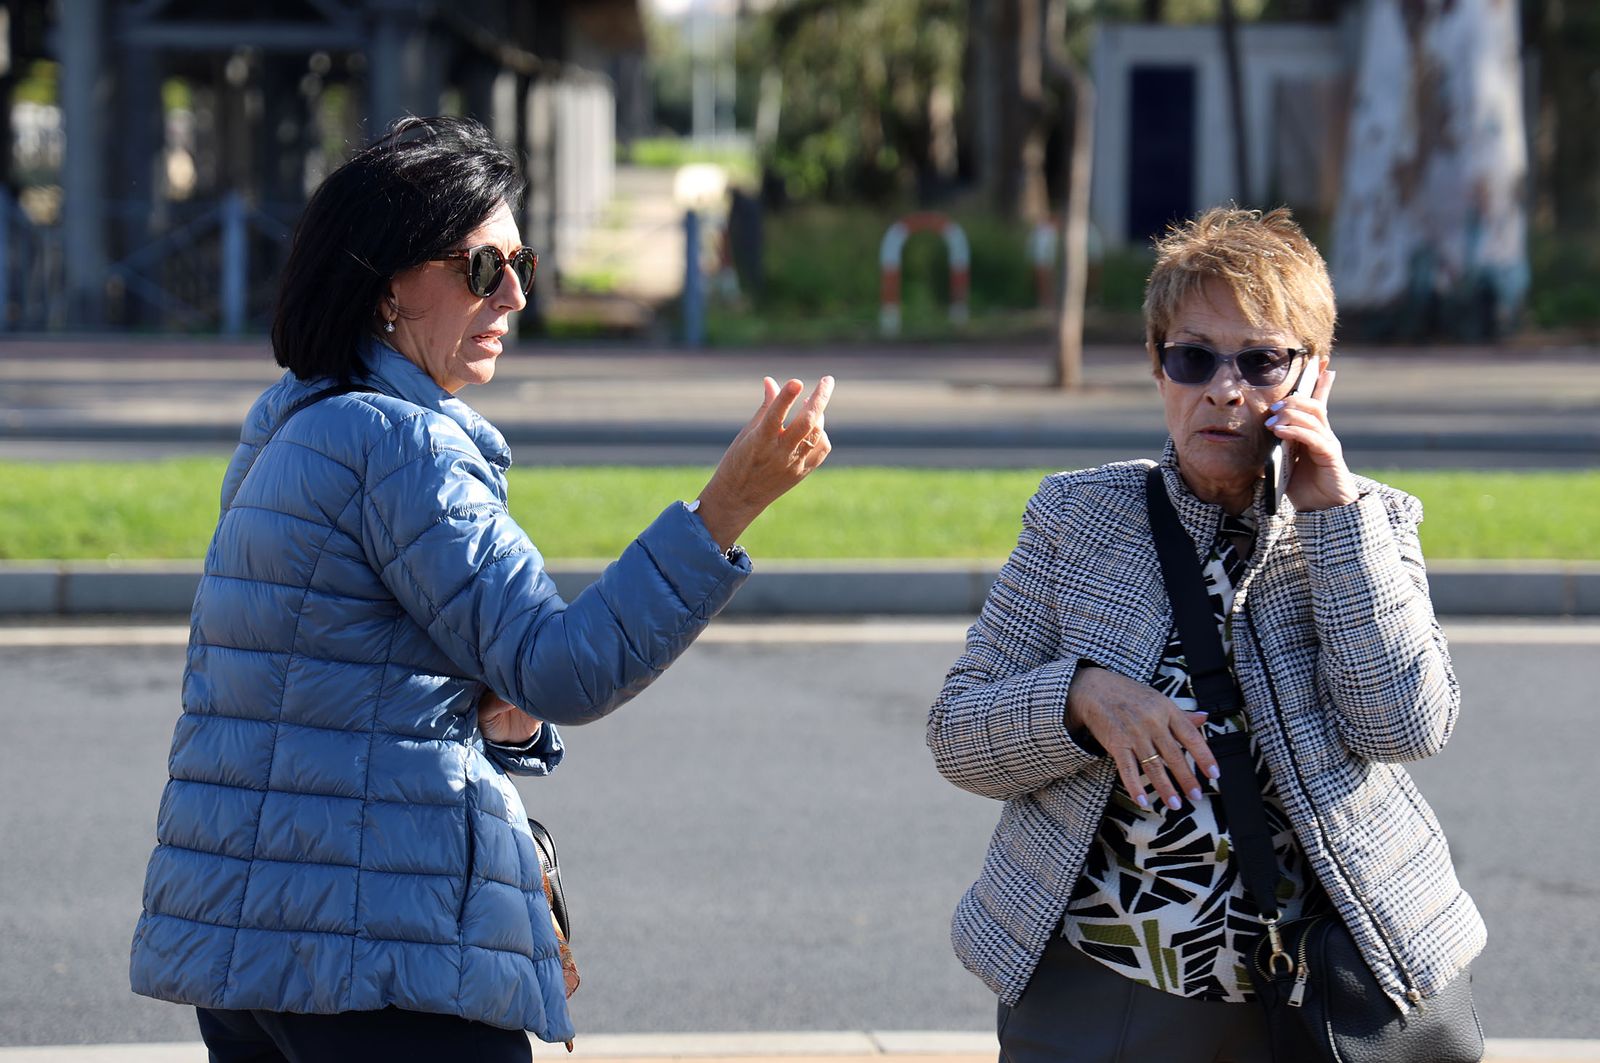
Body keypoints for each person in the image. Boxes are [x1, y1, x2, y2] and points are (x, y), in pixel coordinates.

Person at [128, 116, 835, 1061]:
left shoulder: (290, 422)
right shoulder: (400, 443)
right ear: (387, 282)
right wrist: (726, 508)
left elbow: (323, 680)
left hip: (257, 952)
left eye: (521, 266)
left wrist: (498, 715)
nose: (512, 296)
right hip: (383, 958)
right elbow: (566, 668)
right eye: (480, 269)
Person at [926, 206, 1484, 1062]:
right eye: (1193, 357)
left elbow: (1404, 726)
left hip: (1322, 996)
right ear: (1157, 367)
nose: (1225, 389)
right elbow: (957, 735)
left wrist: (1334, 516)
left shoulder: (1367, 523)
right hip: (1104, 986)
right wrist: (1082, 697)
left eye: (1261, 359)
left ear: (1315, 376)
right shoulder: (1077, 516)